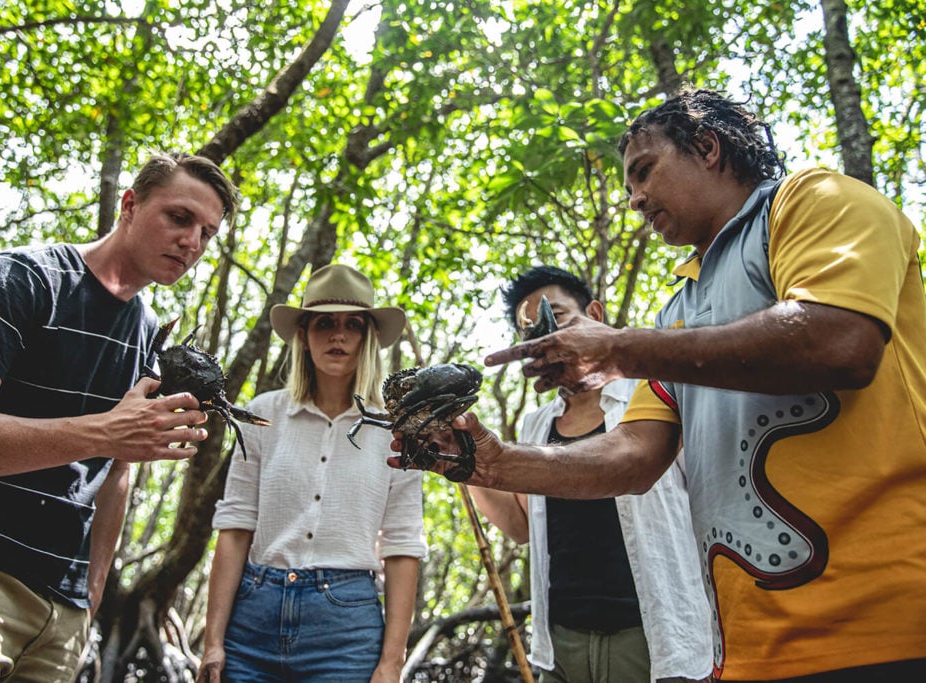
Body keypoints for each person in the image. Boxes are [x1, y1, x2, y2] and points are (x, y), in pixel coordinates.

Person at [393, 89, 926, 681]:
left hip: (889, 625)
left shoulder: (815, 201)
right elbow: (631, 455)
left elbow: (841, 338)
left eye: (644, 172)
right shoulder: (678, 310)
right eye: (628, 187)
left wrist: (619, 348)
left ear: (707, 146)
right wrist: (490, 463)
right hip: (749, 649)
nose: (635, 198)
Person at [0, 151, 238, 682]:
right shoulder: (23, 279)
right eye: (179, 218)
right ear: (129, 205)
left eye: (207, 233)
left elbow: (117, 473)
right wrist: (103, 432)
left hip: (62, 616)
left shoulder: (149, 335)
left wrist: (89, 602)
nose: (192, 242)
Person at [469, 265, 712, 683]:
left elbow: (708, 499)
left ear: (595, 316)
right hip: (561, 645)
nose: (543, 335)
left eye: (556, 316)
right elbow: (523, 526)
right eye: (529, 329)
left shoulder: (655, 393)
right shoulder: (536, 425)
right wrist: (465, 463)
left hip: (656, 637)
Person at [199, 263, 427, 683]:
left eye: (352, 324)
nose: (337, 335)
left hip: (346, 630)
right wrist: (213, 641)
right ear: (303, 336)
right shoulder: (264, 414)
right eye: (324, 323)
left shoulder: (398, 432)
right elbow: (235, 525)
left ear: (368, 339)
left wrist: (391, 663)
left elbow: (402, 545)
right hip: (252, 622)